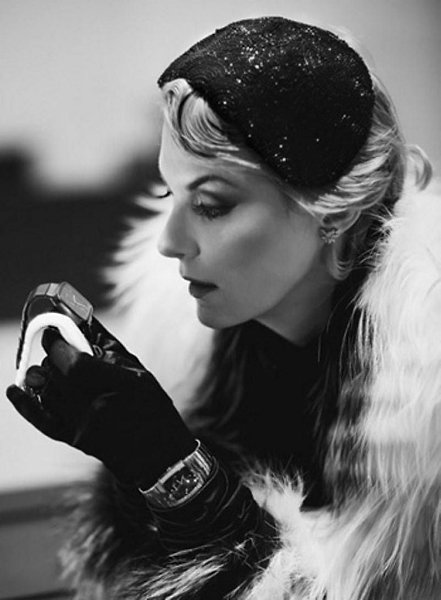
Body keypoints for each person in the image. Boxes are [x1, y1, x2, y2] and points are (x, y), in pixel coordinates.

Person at [6, 16, 441, 600]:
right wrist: (135, 465)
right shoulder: (194, 349)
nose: (168, 242)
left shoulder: (425, 409)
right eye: (170, 192)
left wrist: (177, 475)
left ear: (334, 213)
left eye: (211, 205)